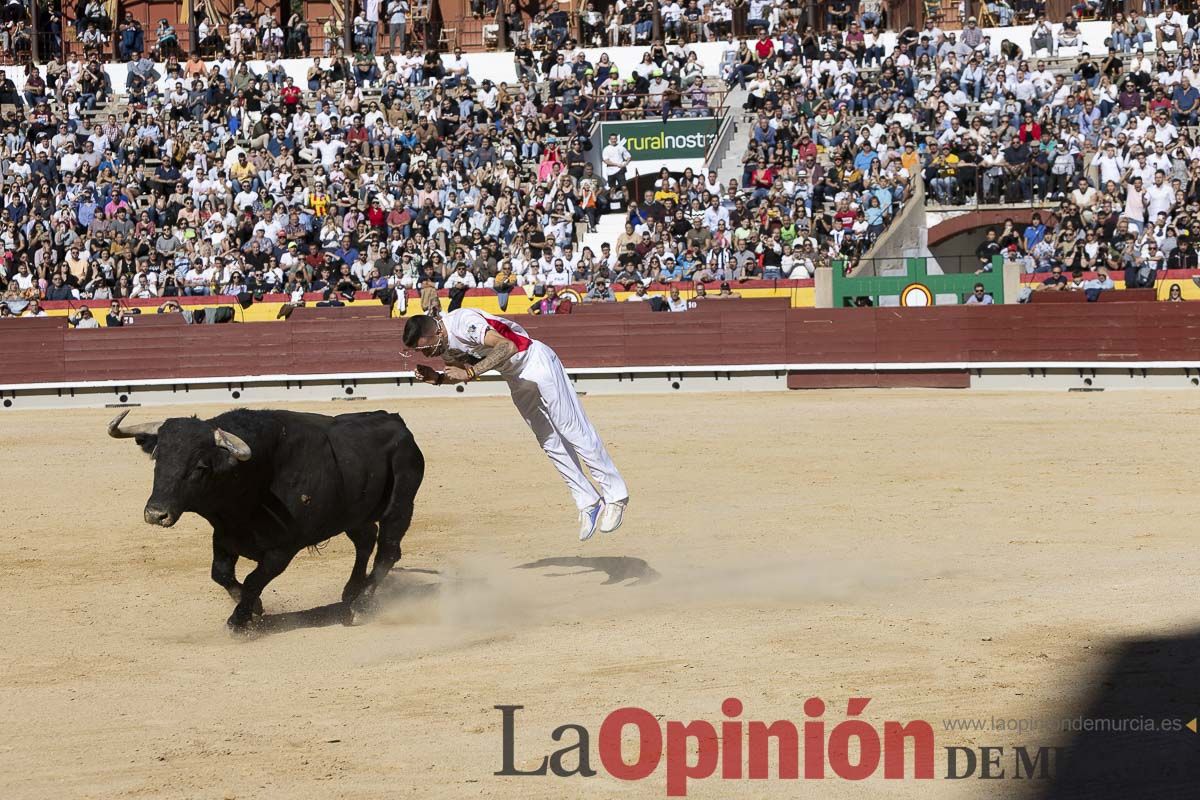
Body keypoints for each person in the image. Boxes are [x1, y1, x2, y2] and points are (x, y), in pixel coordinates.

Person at [403, 310, 629, 540]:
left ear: (435, 332)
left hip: (535, 361)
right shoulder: (446, 346)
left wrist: (470, 371)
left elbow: (507, 346)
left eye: (424, 348)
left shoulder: (463, 323)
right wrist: (438, 378)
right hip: (515, 377)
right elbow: (460, 373)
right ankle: (587, 500)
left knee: (571, 428)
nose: (427, 354)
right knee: (548, 441)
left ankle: (616, 496)